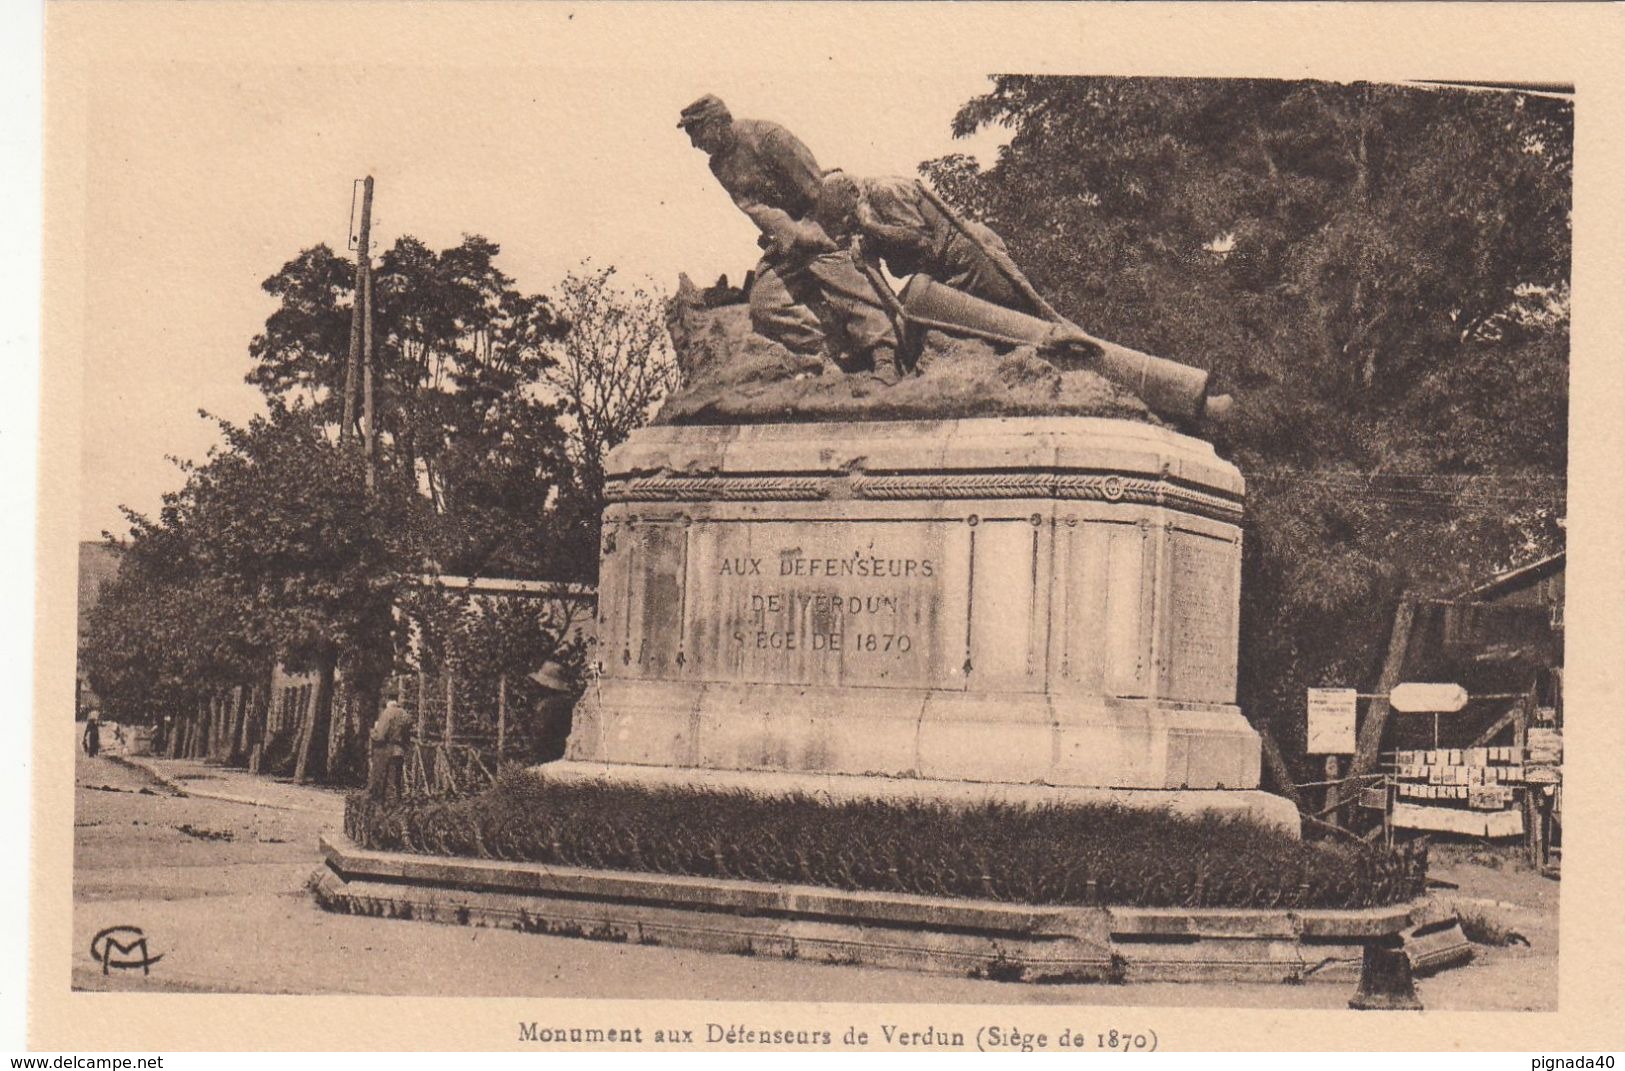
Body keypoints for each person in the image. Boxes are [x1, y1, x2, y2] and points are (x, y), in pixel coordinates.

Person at [677, 94, 901, 380]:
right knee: (766, 301)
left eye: (697, 132)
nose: (695, 144)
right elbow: (756, 208)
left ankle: (885, 357)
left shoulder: (767, 137)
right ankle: (830, 353)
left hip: (824, 218)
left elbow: (814, 185)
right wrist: (794, 236)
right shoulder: (719, 165)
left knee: (842, 278)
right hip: (789, 237)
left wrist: (817, 231)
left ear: (717, 122)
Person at [813, 171, 1032, 311]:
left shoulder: (883, 191)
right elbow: (899, 268)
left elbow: (920, 240)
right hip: (947, 267)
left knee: (1020, 314)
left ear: (853, 192)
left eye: (847, 213)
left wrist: (871, 228)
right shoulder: (867, 210)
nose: (849, 222)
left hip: (968, 254)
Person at [367, 699, 413, 804]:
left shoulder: (387, 713)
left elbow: (380, 736)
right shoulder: (404, 715)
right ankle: (398, 802)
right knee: (397, 780)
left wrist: (372, 732)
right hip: (400, 751)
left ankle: (382, 804)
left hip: (387, 751)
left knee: (384, 779)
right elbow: (407, 737)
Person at [530, 661, 575, 763]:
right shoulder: (567, 703)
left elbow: (539, 734)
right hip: (561, 754)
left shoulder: (546, 706)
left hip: (546, 755)